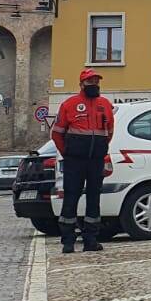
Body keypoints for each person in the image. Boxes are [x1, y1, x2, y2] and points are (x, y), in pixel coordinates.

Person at [51, 68, 114, 254]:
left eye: (96, 81)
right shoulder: (69, 104)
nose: (94, 85)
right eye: (90, 82)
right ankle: (68, 241)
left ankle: (91, 240)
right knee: (71, 198)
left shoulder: (105, 104)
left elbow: (109, 132)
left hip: (96, 160)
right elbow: (57, 134)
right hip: (75, 161)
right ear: (81, 84)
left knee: (94, 199)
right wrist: (68, 153)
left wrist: (99, 151)